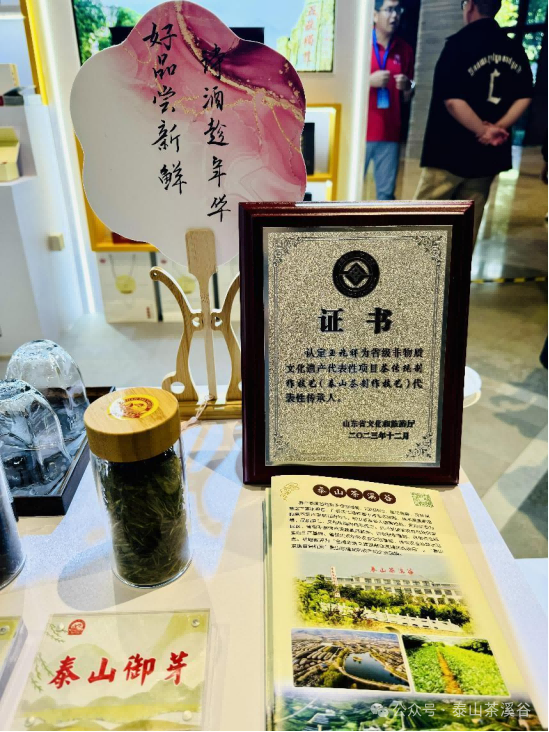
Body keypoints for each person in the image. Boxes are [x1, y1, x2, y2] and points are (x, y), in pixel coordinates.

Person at [415, 0, 533, 243]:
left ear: (469, 6)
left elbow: (453, 101)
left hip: (448, 152)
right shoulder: (514, 48)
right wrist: (497, 128)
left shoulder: (458, 45)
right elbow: (524, 96)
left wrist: (482, 130)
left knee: (424, 224)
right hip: (487, 156)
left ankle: (419, 267)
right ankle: (458, 268)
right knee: (467, 228)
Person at [366, 0, 415, 200]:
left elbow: (409, 93)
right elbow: (343, 84)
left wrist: (408, 86)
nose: (395, 15)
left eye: (398, 10)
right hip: (359, 132)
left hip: (390, 132)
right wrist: (367, 82)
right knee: (347, 189)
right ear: (374, 15)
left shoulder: (405, 50)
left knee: (386, 195)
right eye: (389, 10)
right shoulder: (360, 44)